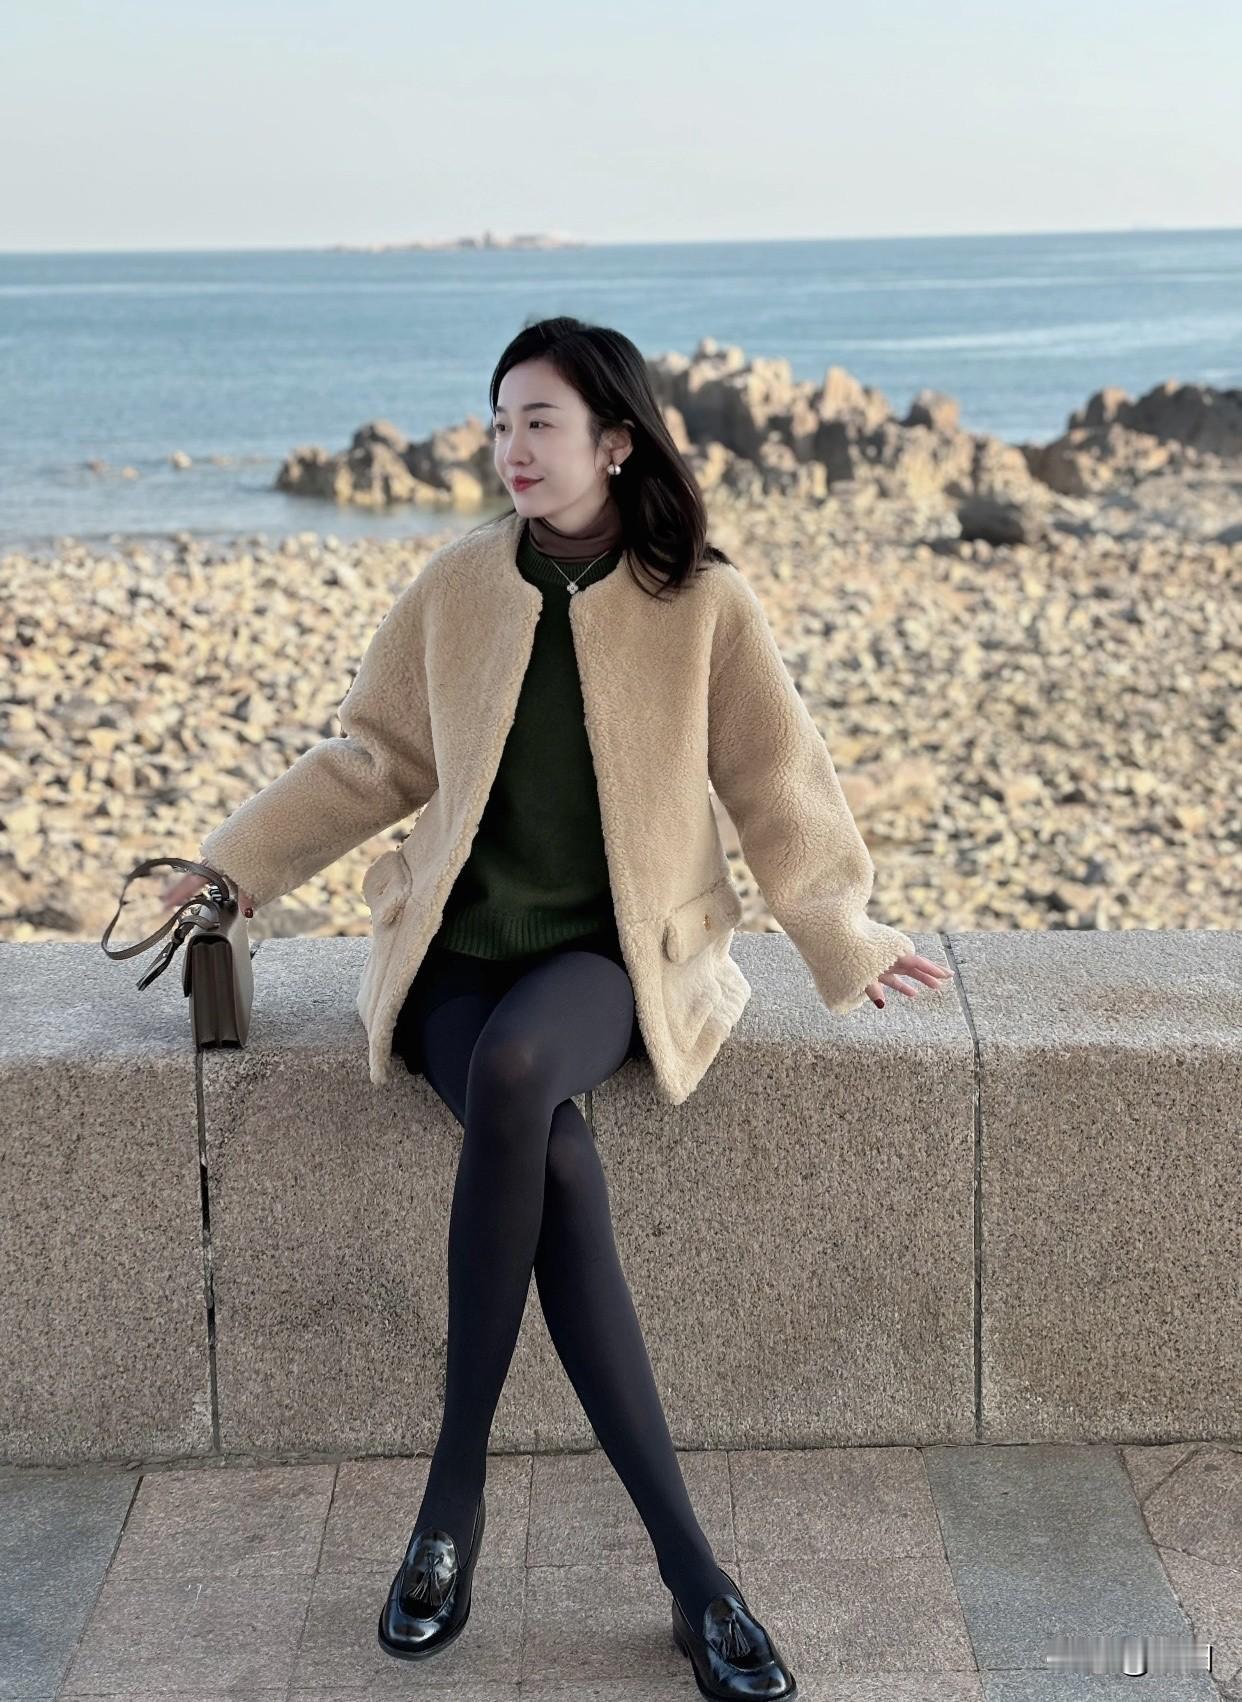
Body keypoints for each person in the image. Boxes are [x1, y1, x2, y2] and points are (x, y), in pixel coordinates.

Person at [168, 315, 950, 1700]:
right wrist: (228, 870)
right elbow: (371, 762)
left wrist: (841, 930)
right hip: (454, 959)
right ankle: (695, 1582)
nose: (511, 449)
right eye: (499, 423)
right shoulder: (459, 586)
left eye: (540, 422)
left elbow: (775, 782)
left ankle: (449, 1498)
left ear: (615, 441)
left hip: (611, 955)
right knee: (559, 1159)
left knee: (528, 1072)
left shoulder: (701, 602)